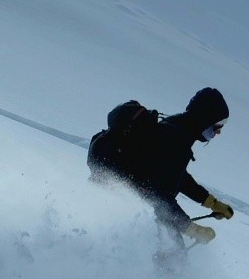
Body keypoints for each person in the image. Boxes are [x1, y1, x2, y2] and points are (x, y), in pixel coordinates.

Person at [88, 86, 235, 244]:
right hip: (131, 210)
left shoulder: (176, 128)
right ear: (205, 119)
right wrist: (192, 229)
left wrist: (210, 202)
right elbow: (159, 195)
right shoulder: (176, 140)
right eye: (217, 127)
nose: (218, 133)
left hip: (132, 205)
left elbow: (177, 175)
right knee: (170, 259)